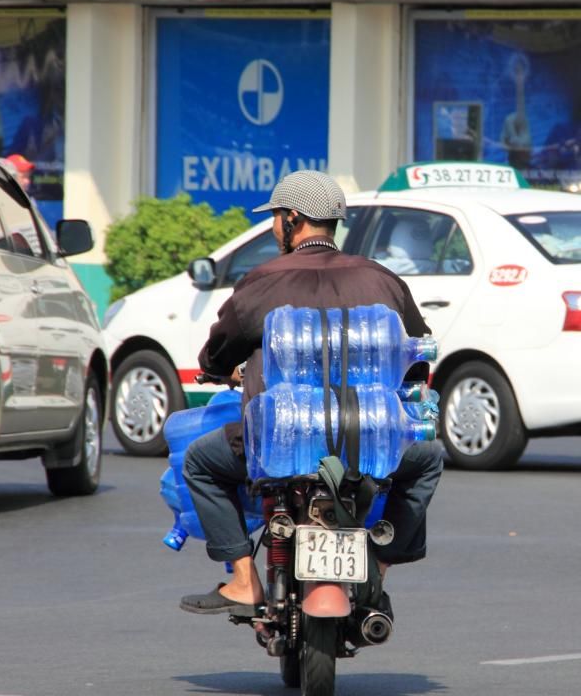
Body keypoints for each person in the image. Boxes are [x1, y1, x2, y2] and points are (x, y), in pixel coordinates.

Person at [180, 170, 443, 617]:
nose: (273, 226)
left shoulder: (262, 280)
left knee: (199, 463)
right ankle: (378, 569)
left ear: (291, 218)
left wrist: (218, 370)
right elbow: (416, 360)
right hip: (368, 438)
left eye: (275, 217)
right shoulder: (382, 280)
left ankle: (244, 581)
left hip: (279, 441)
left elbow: (219, 351)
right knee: (428, 458)